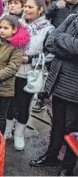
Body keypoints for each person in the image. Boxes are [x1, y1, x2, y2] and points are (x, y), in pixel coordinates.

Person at [29, 13, 78, 176]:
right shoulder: (72, 18)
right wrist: (67, 47)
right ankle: (52, 156)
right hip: (59, 82)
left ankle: (68, 167)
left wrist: (62, 42)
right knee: (57, 125)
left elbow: (75, 47)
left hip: (75, 88)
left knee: (72, 129)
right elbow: (50, 43)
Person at [6, 0, 54, 150]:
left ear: (40, 10)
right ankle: (7, 131)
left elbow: (51, 54)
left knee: (23, 104)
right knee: (8, 103)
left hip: (28, 74)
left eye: (30, 7)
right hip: (11, 71)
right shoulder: (17, 24)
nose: (26, 10)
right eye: (25, 6)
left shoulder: (48, 29)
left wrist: (31, 59)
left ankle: (19, 135)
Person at [0, 15, 30, 135]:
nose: (2, 30)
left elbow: (13, 67)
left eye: (6, 28)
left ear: (14, 30)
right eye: (0, 27)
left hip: (4, 87)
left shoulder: (17, 47)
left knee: (0, 116)